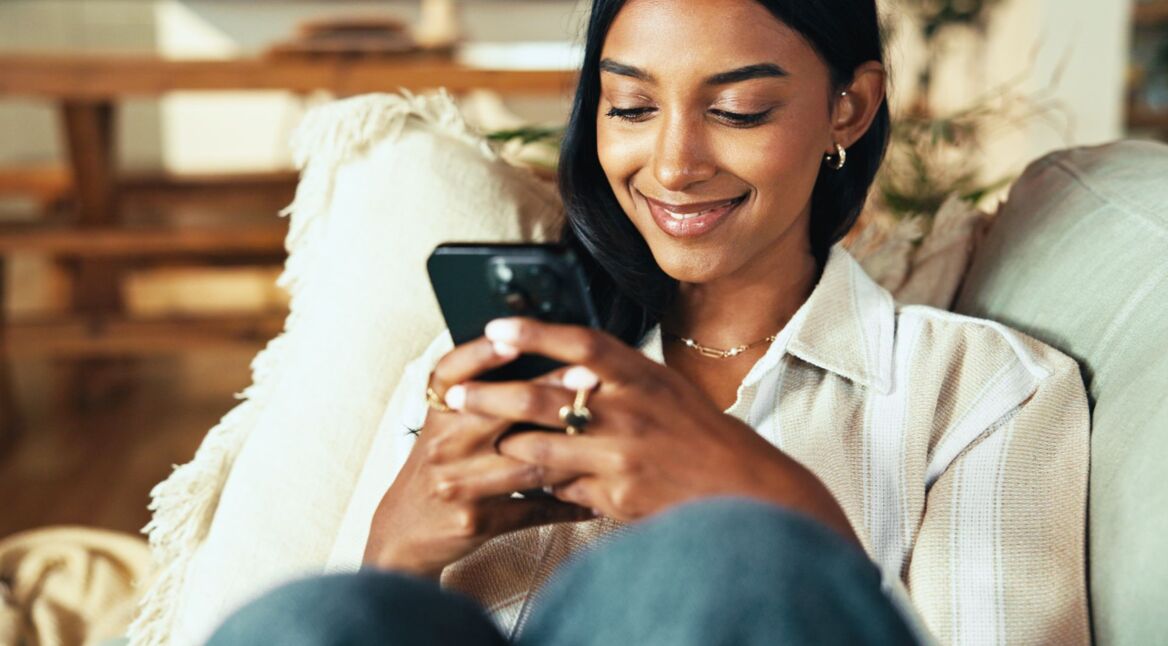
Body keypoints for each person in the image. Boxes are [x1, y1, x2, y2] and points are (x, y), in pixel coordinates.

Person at [211, 0, 1091, 643]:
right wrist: (394, 551)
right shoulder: (483, 364)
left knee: (709, 566)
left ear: (849, 108)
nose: (672, 165)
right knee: (314, 620)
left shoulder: (981, 392)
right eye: (631, 108)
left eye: (737, 111)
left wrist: (780, 515)